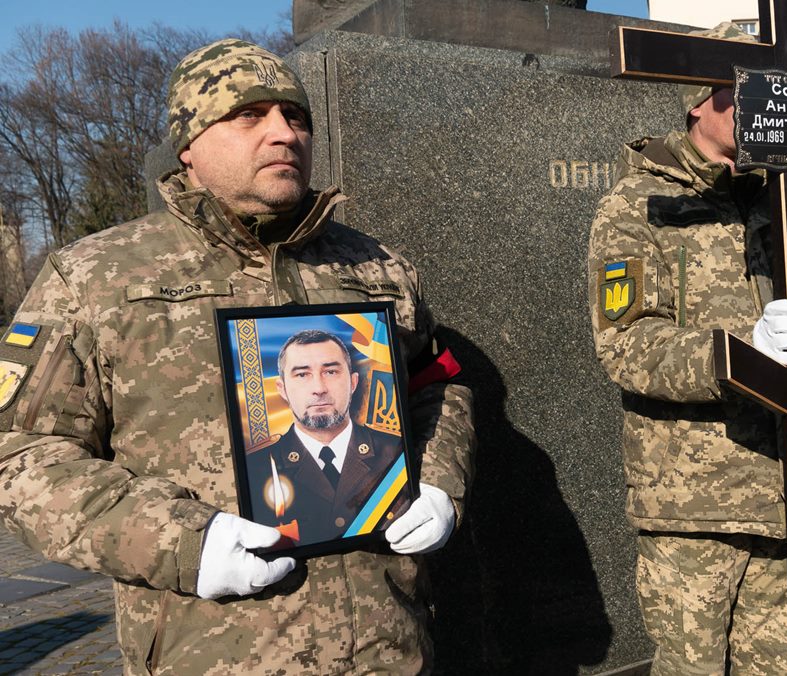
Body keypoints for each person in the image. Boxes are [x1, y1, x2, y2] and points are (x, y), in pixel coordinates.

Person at [0, 39, 474, 672]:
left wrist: (439, 483)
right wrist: (180, 542)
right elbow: (21, 454)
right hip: (213, 652)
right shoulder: (95, 276)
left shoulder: (375, 267)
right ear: (188, 145)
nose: (284, 134)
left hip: (387, 647)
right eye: (249, 115)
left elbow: (437, 386)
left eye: (296, 116)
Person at [588, 22, 787, 675]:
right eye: (736, 90)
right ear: (696, 103)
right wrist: (742, 352)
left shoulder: (780, 204)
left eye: (764, 89)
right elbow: (627, 345)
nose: (755, 102)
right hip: (693, 507)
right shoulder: (639, 203)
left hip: (786, 490)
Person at [246, 329, 406, 546]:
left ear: (353, 383)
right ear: (282, 389)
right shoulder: (256, 468)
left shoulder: (395, 451)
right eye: (302, 375)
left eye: (330, 372)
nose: (319, 389)